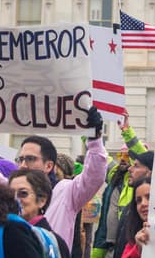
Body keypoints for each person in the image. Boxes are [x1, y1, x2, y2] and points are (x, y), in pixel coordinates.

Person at [14, 104, 106, 246]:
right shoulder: (11, 193)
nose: (24, 165)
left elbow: (94, 176)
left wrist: (94, 139)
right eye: (21, 159)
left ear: (49, 166)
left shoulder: (65, 192)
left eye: (31, 159)